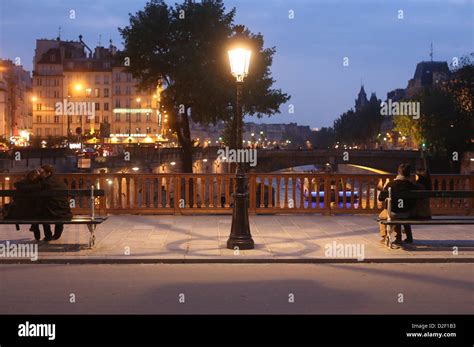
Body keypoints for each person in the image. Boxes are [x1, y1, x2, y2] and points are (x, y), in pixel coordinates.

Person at [378, 163, 418, 247]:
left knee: (383, 215)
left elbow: (380, 198)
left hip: (393, 213)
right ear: (408, 174)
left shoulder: (391, 184)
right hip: (407, 214)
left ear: (398, 172)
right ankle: (407, 237)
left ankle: (385, 236)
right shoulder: (411, 185)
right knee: (402, 211)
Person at [39, 165, 72, 241]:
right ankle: (57, 235)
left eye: (42, 172)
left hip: (51, 212)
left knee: (43, 212)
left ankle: (48, 235)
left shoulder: (45, 182)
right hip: (64, 212)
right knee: (53, 209)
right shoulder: (59, 181)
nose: (40, 174)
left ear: (48, 173)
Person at [8, 170, 42, 240]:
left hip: (19, 213)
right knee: (37, 211)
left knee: (34, 209)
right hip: (32, 214)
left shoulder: (21, 184)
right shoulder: (38, 186)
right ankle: (35, 231)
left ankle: (35, 229)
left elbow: (15, 198)